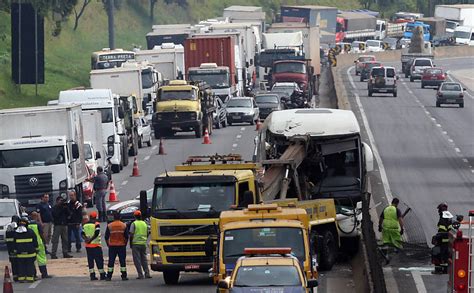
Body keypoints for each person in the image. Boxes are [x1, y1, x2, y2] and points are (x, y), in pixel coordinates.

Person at [82, 211, 106, 281]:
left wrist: (86, 239)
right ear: (95, 217)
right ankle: (102, 274)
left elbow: (82, 233)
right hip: (96, 246)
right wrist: (91, 240)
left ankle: (92, 275)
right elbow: (96, 233)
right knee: (99, 261)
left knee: (90, 261)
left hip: (88, 246)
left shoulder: (85, 225)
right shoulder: (96, 224)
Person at [105, 211, 129, 281]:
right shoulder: (123, 225)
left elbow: (106, 237)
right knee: (122, 261)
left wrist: (108, 245)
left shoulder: (110, 225)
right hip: (121, 245)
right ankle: (124, 276)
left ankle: (109, 276)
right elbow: (126, 237)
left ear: (114, 217)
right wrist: (125, 244)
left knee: (111, 261)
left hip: (112, 246)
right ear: (120, 217)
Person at [14, 217, 38, 283]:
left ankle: (21, 279)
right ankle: (30, 278)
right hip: (30, 254)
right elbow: (35, 242)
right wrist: (36, 249)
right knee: (30, 265)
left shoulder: (16, 233)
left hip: (20, 254)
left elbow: (14, 243)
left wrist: (15, 251)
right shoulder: (30, 231)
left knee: (21, 266)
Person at [28, 212, 52, 279]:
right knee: (41, 260)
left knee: (31, 260)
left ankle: (33, 275)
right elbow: (41, 234)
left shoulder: (28, 224)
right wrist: (44, 242)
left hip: (30, 244)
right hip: (39, 244)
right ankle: (44, 274)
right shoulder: (37, 224)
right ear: (36, 217)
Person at [129, 210, 151, 279]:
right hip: (143, 244)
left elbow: (131, 234)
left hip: (136, 244)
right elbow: (148, 233)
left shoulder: (134, 224)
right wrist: (144, 239)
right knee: (144, 259)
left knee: (137, 260)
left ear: (135, 216)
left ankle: (140, 274)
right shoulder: (145, 223)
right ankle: (147, 273)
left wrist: (130, 243)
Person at [433, 202, 453, 274]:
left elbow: (442, 231)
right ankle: (445, 268)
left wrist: (436, 237)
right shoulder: (449, 218)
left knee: (437, 252)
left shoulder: (442, 219)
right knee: (446, 255)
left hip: (443, 242)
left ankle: (439, 269)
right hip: (449, 241)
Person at [6, 215, 19, 281]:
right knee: (19, 262)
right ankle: (19, 275)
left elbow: (8, 241)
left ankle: (15, 276)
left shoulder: (9, 227)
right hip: (18, 248)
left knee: (14, 263)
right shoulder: (18, 227)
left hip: (11, 249)